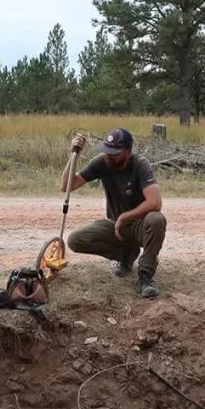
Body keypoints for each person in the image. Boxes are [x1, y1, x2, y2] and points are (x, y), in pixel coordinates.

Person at [62, 128, 166, 298]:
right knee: (75, 240)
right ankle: (126, 255)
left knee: (157, 219)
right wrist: (74, 156)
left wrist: (125, 216)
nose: (108, 156)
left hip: (140, 225)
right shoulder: (102, 162)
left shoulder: (140, 164)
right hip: (115, 226)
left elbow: (155, 202)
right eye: (106, 150)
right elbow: (67, 186)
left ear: (128, 152)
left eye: (114, 152)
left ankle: (146, 275)